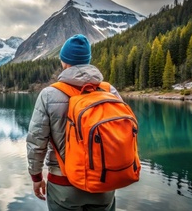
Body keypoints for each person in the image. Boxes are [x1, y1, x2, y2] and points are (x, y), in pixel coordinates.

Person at [26, 34, 121, 211]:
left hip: (64, 184)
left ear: (64, 60)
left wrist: (36, 177)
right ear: (88, 60)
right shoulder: (109, 91)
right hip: (104, 182)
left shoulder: (49, 94)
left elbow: (36, 142)